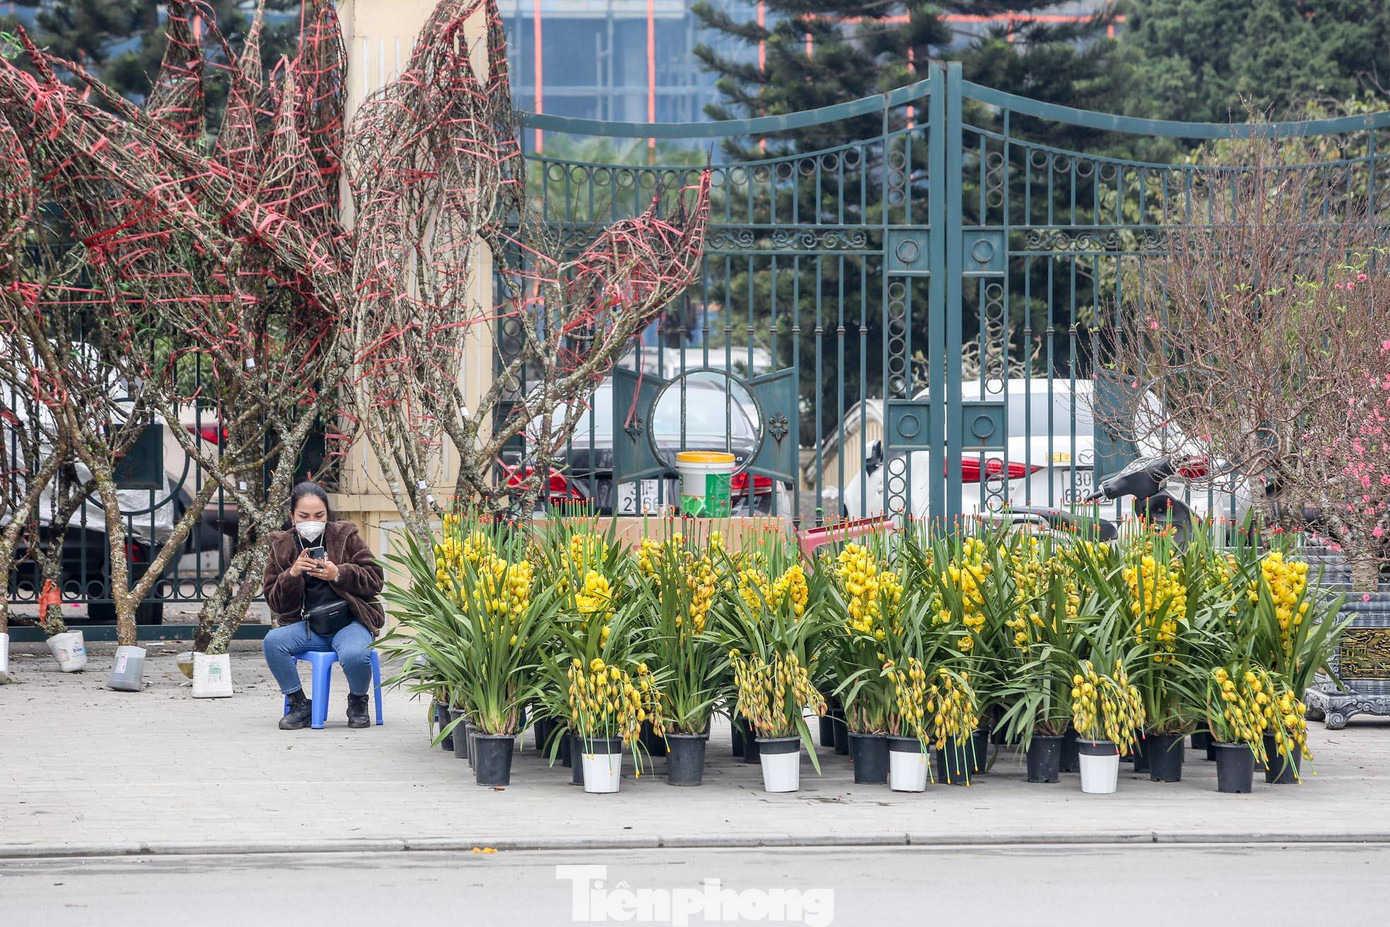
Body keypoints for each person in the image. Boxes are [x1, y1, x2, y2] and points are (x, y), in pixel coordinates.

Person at [261, 482, 385, 729]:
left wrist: (338, 573)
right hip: (307, 627)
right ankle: (299, 704)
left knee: (353, 655)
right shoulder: (281, 546)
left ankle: (358, 701)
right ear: (292, 516)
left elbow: (375, 579)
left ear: (327, 514)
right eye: (304, 516)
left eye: (319, 515)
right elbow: (274, 601)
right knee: (273, 643)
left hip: (350, 621)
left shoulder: (345, 536)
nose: (312, 521)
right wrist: (293, 574)